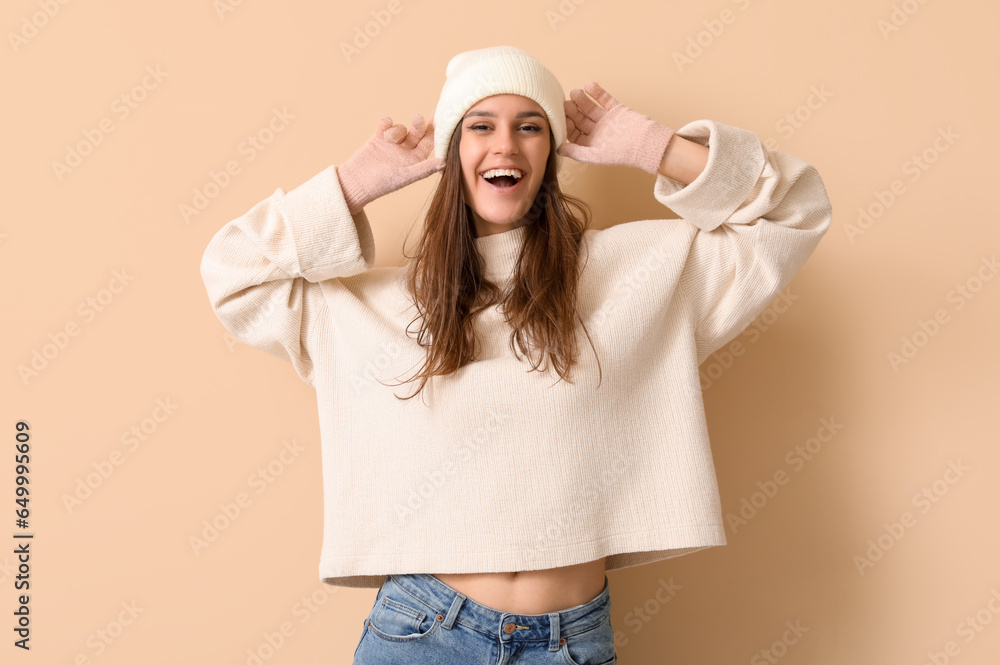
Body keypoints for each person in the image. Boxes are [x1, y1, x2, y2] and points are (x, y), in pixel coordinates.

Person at [200, 45, 832, 664]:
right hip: (425, 634)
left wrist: (647, 145)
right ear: (453, 153)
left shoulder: (634, 273)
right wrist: (358, 183)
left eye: (530, 127)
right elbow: (233, 272)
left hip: (573, 641)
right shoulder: (375, 306)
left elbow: (793, 210)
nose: (505, 145)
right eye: (480, 126)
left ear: (551, 153)